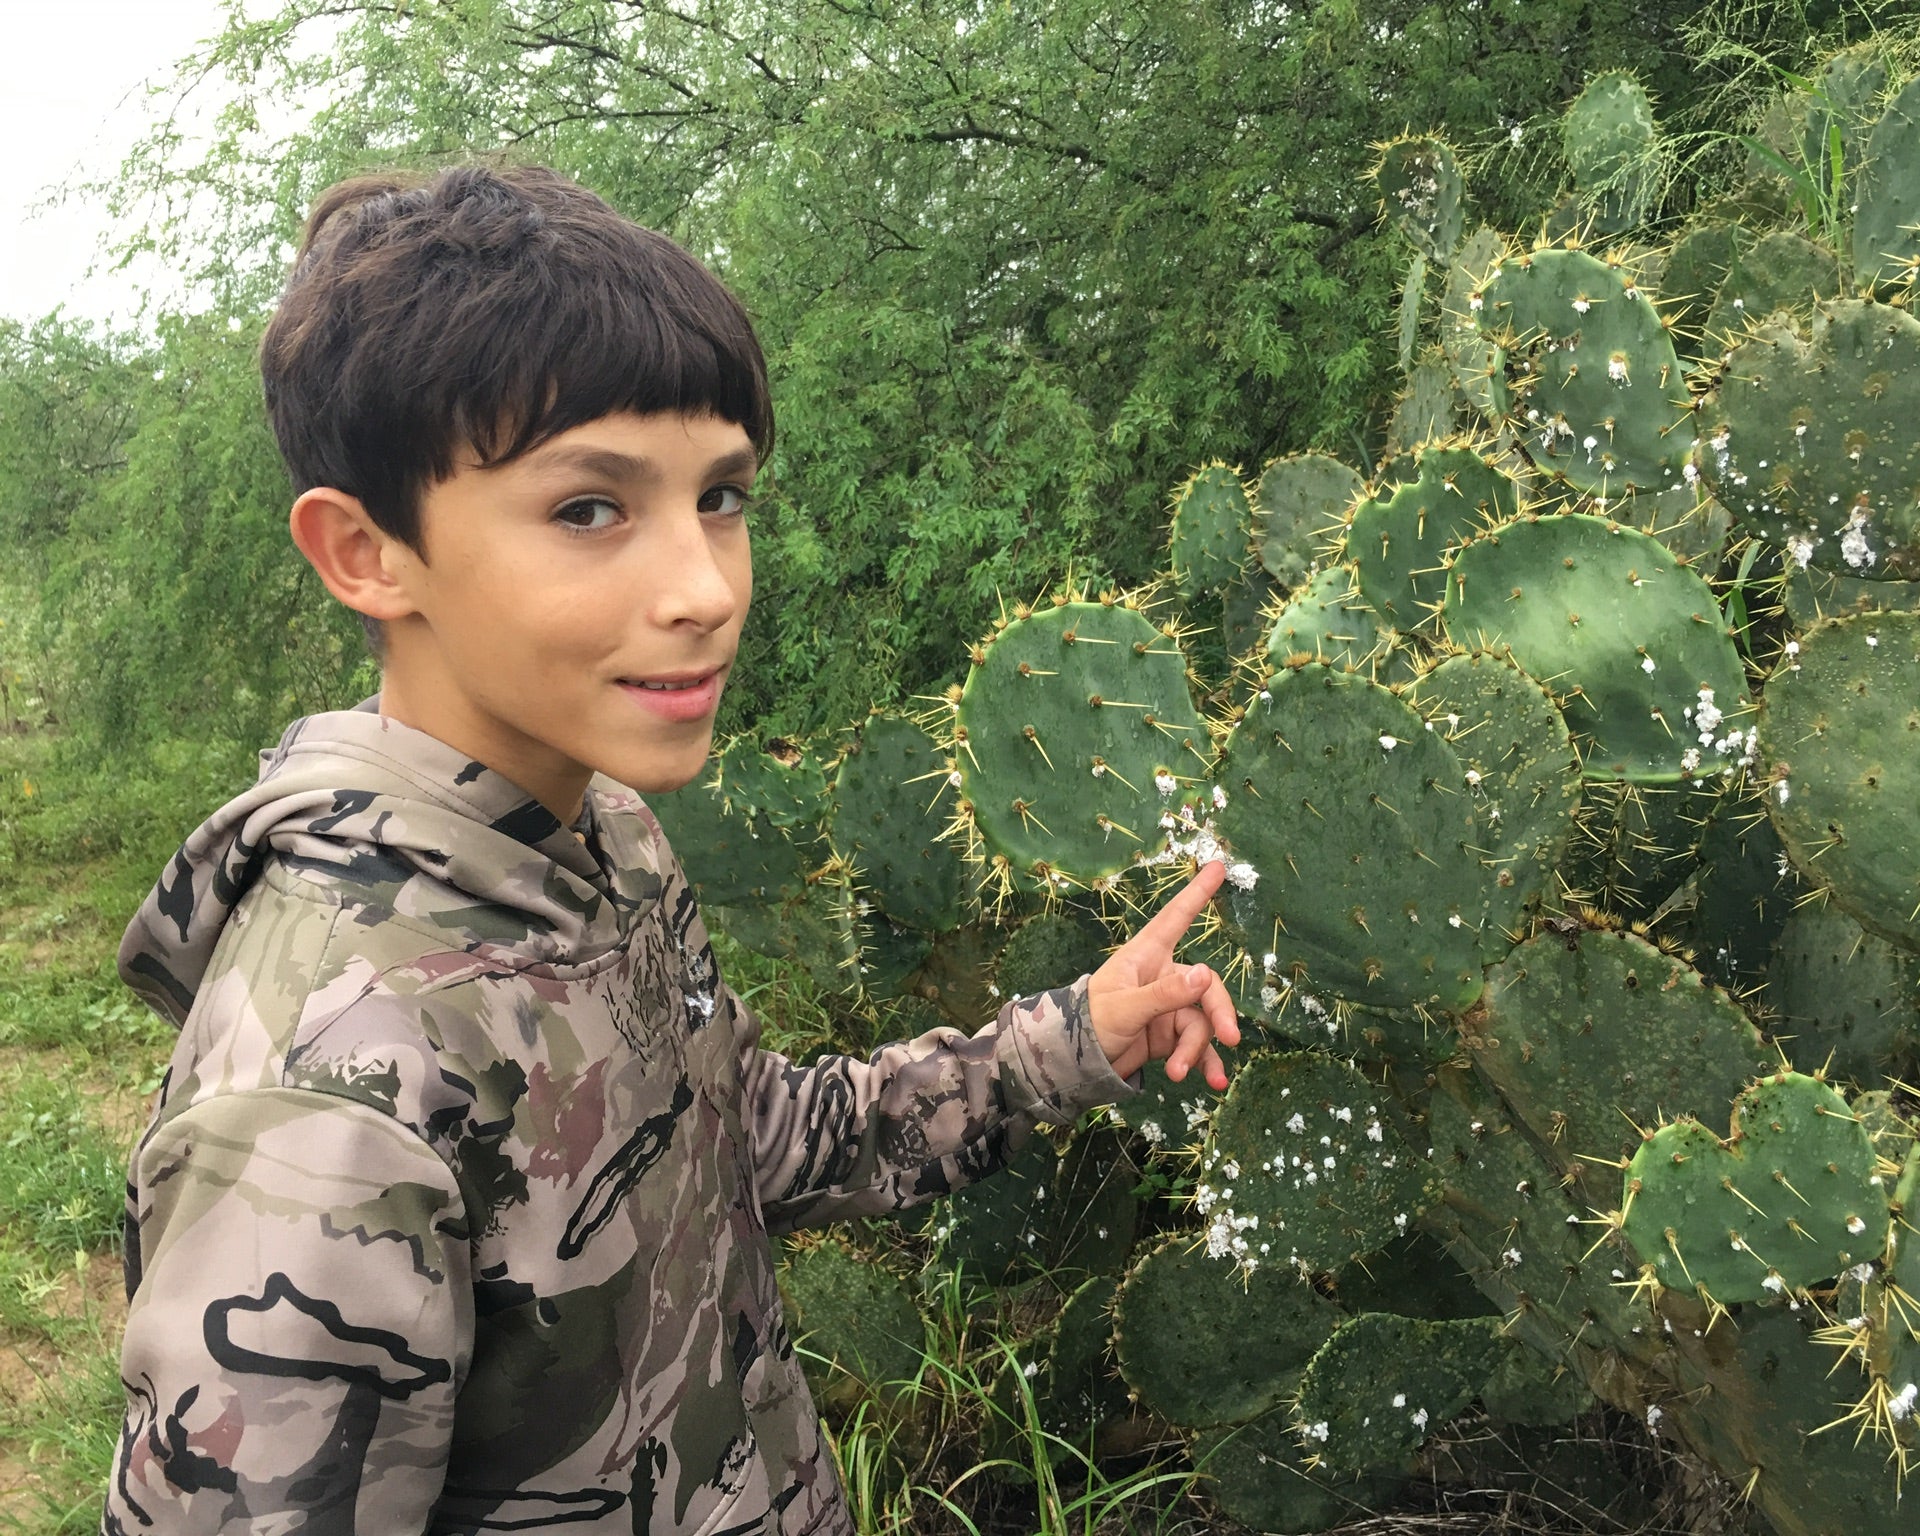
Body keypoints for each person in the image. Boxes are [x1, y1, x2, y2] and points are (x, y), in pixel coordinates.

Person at [100, 161, 1240, 1534]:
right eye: (590, 509)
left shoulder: (604, 833)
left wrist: (1062, 1047)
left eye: (722, 496)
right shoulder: (326, 1097)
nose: (705, 588)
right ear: (365, 553)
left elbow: (734, 1136)